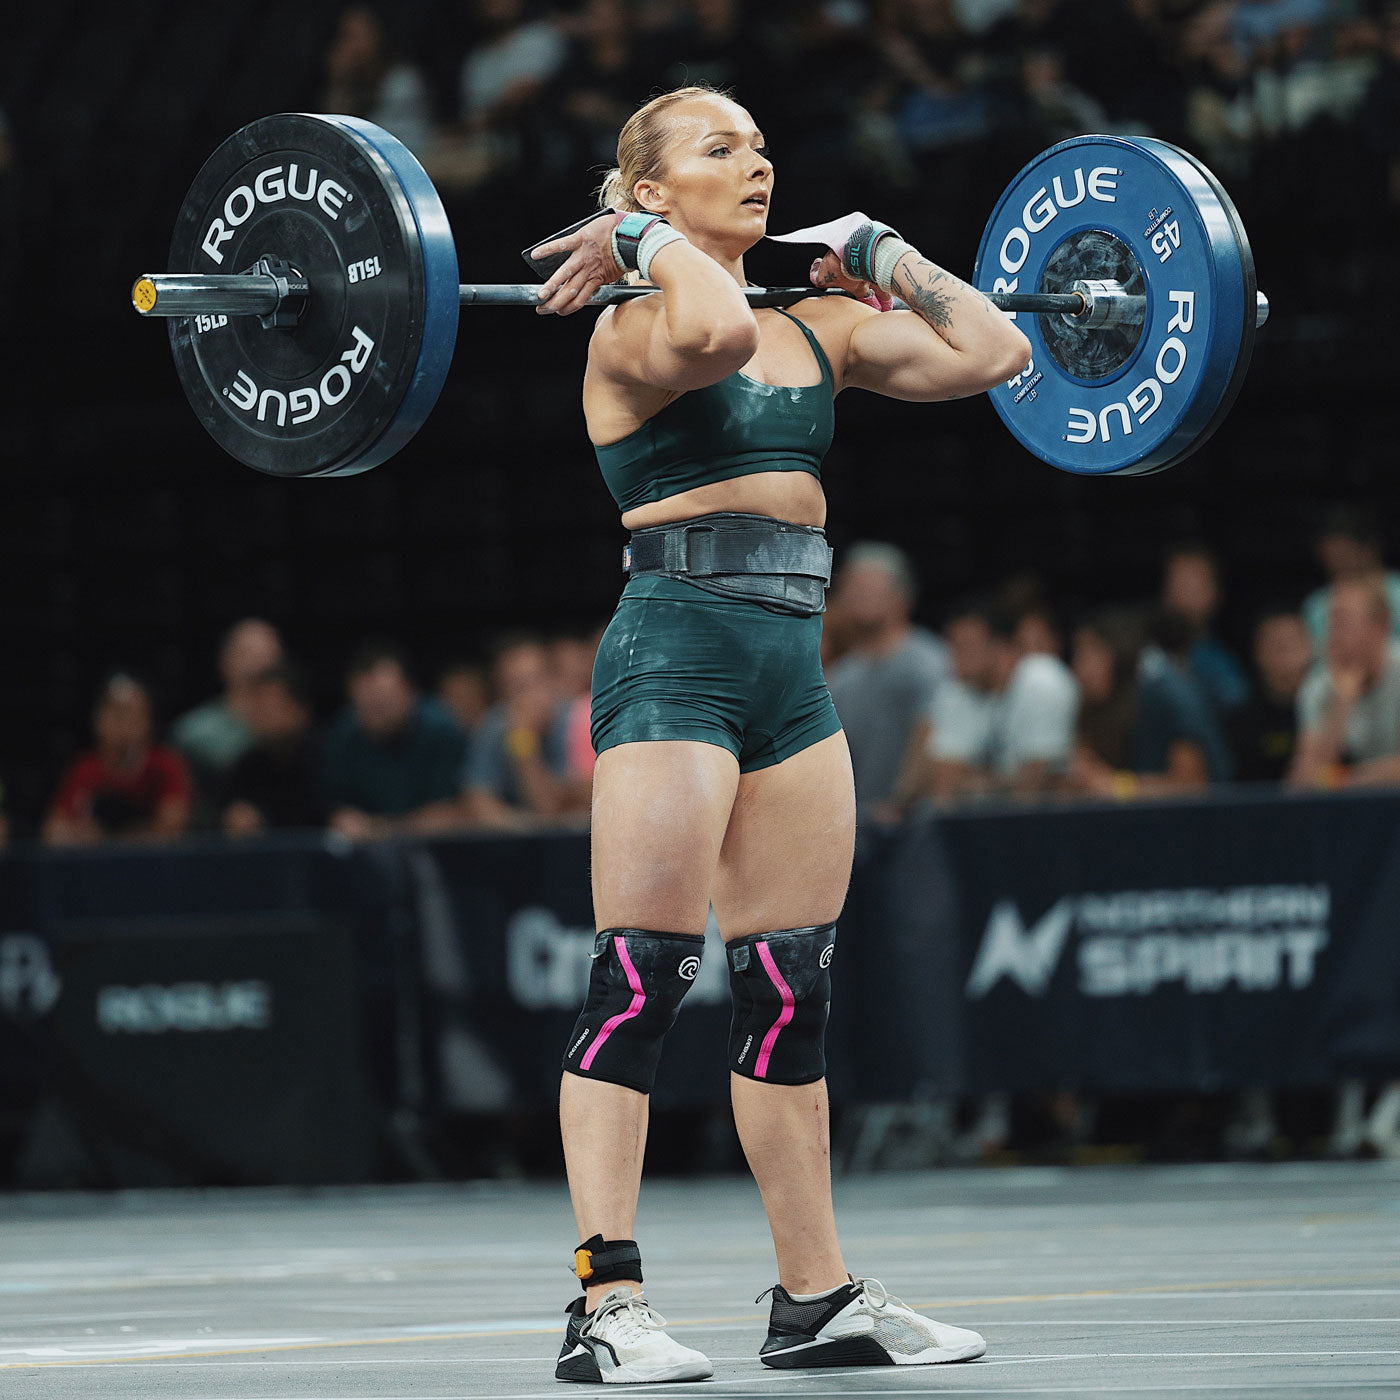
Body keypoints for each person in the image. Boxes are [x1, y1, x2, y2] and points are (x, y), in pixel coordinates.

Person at [527, 82, 1027, 1380]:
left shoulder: (819, 326)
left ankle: (815, 1299)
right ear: (649, 189)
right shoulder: (636, 324)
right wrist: (638, 245)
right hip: (674, 657)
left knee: (789, 990)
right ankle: (605, 1306)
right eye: (718, 149)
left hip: (789, 675)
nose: (755, 164)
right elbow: (712, 327)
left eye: (759, 146)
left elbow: (993, 354)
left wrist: (878, 251)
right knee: (639, 983)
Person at [822, 542, 947, 818]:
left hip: (911, 824)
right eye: (850, 588)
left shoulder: (926, 662)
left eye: (866, 589)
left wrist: (901, 803)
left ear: (901, 596)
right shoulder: (841, 676)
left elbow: (934, 735)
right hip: (858, 822)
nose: (854, 596)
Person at [920, 596, 1079, 802]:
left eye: (966, 646)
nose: (954, 657)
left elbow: (1033, 789)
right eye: (952, 646)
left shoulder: (1042, 679)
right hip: (979, 817)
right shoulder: (958, 690)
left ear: (1001, 646)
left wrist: (979, 783)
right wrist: (999, 783)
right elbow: (943, 790)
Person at [1065, 607, 1231, 799]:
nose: (1078, 667)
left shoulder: (1164, 695)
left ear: (1118, 652)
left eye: (1087, 654)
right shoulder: (1108, 706)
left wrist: (1117, 786)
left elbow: (1193, 785)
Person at [321, 642, 468, 839]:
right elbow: (338, 811)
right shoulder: (342, 736)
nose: (376, 708)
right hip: (364, 850)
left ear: (411, 691)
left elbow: (451, 814)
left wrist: (380, 828)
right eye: (367, 703)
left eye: (385, 699)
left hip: (436, 847)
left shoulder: (443, 731)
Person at [44, 673, 191, 844]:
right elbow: (54, 830)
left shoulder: (165, 764)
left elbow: (171, 829)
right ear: (98, 719)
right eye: (116, 713)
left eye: (132, 714)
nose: (124, 723)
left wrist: (107, 840)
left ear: (148, 721)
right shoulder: (85, 768)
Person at [462, 634, 586, 829]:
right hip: (518, 840)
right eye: (520, 687)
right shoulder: (495, 725)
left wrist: (523, 741)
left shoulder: (577, 719)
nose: (532, 695)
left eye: (538, 680)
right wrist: (527, 827)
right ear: (503, 694)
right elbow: (478, 802)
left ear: (554, 679)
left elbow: (552, 806)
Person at [1289, 575, 1400, 789]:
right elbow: (1302, 783)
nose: (1333, 635)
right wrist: (1342, 703)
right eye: (1330, 623)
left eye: (1344, 622)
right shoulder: (1316, 687)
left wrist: (1340, 780)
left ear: (1382, 625)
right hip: (1350, 805)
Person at [172, 619, 284, 821]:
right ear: (225, 661)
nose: (260, 665)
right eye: (249, 654)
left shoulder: (294, 728)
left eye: (269, 656)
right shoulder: (194, 732)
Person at [221, 664, 326, 836]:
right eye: (255, 705)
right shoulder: (247, 766)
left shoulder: (330, 759)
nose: (257, 714)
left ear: (299, 709)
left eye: (268, 705)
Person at [1160, 544, 1250, 714]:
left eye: (1194, 589)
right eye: (1178, 587)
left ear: (1216, 595)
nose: (1184, 600)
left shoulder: (1224, 668)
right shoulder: (1142, 657)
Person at [1228, 608, 1313, 782]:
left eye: (1294, 643)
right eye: (1278, 646)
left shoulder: (1327, 710)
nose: (1288, 655)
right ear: (1258, 652)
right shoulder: (1240, 721)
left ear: (1310, 646)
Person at [1301, 505, 1400, 649]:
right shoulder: (1316, 606)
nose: (1337, 564)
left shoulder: (1397, 591)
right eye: (1330, 557)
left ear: (1368, 549)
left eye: (1344, 554)